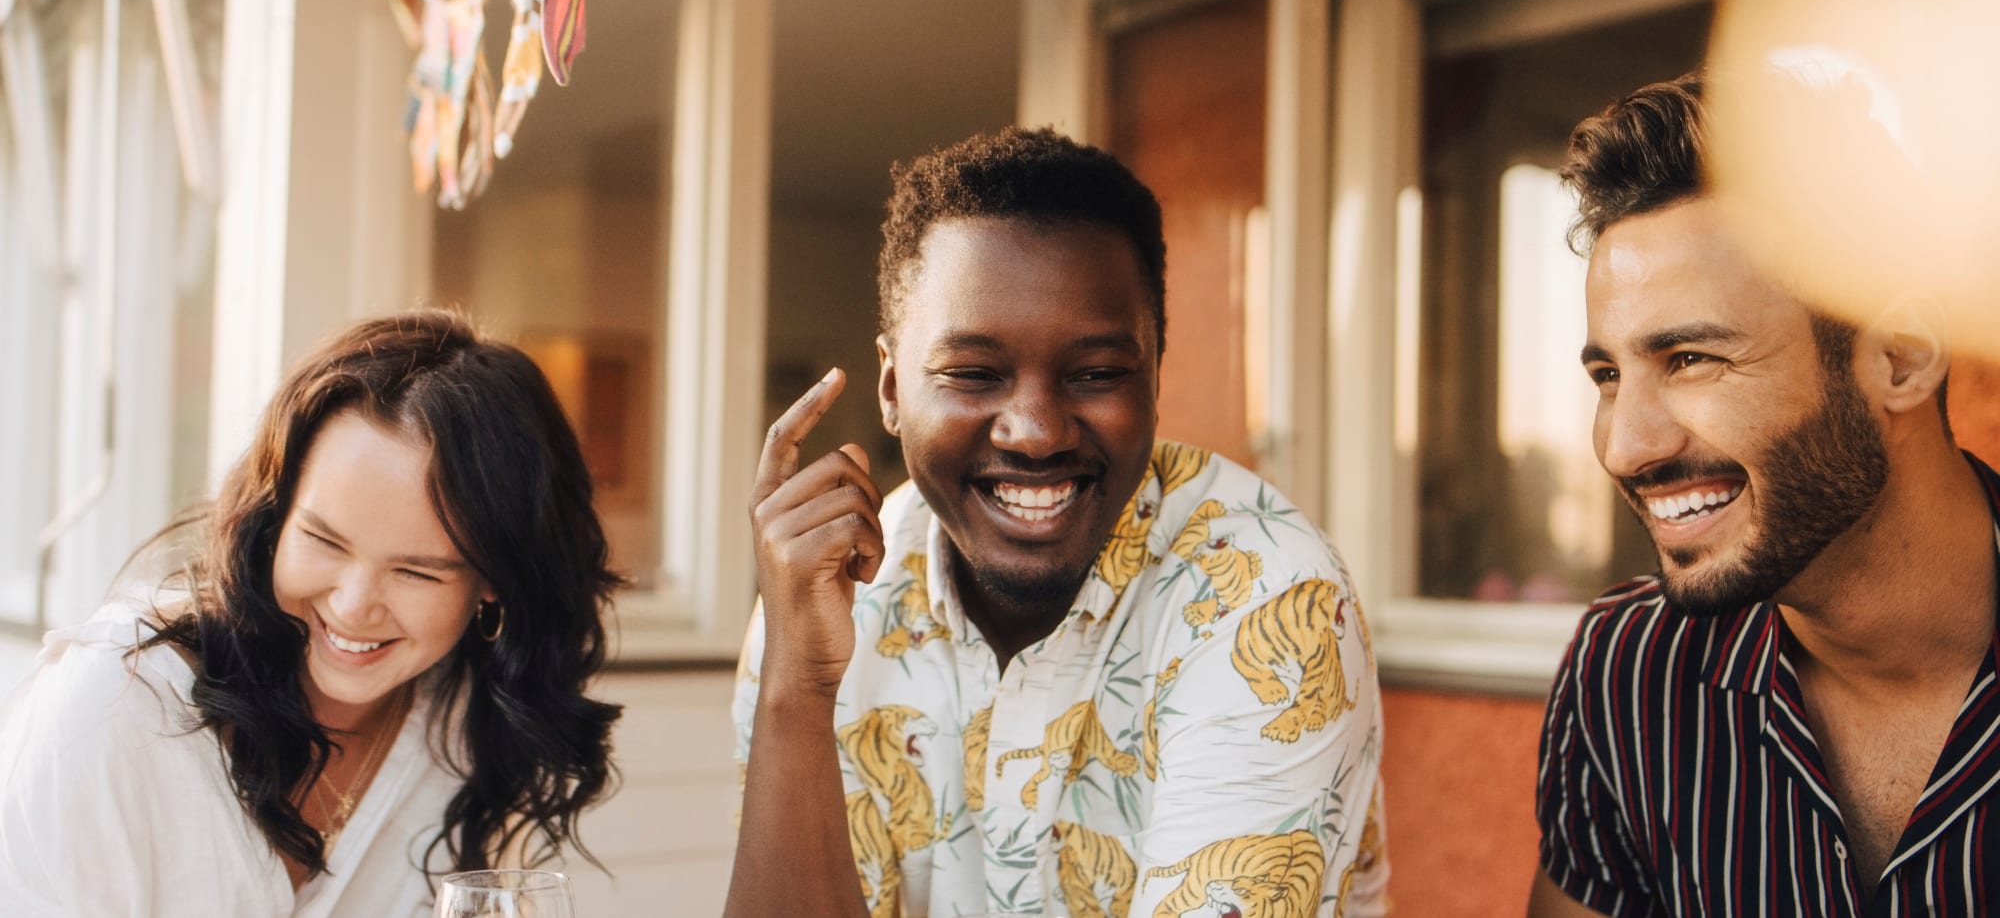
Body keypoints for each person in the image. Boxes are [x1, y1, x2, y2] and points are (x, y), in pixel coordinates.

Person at [727, 127, 1386, 918]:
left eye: (1097, 374)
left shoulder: (1269, 599)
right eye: (973, 373)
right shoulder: (818, 597)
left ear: (1153, 379)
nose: (1035, 431)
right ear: (893, 390)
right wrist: (797, 688)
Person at [1529, 70, 2000, 916]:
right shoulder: (1629, 672)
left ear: (1898, 357)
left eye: (1691, 359)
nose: (1624, 445)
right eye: (1608, 373)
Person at [0, 310, 623, 917]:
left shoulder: (461, 725)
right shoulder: (111, 711)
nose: (352, 606)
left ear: (494, 582)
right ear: (274, 519)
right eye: (323, 541)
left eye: (415, 571)